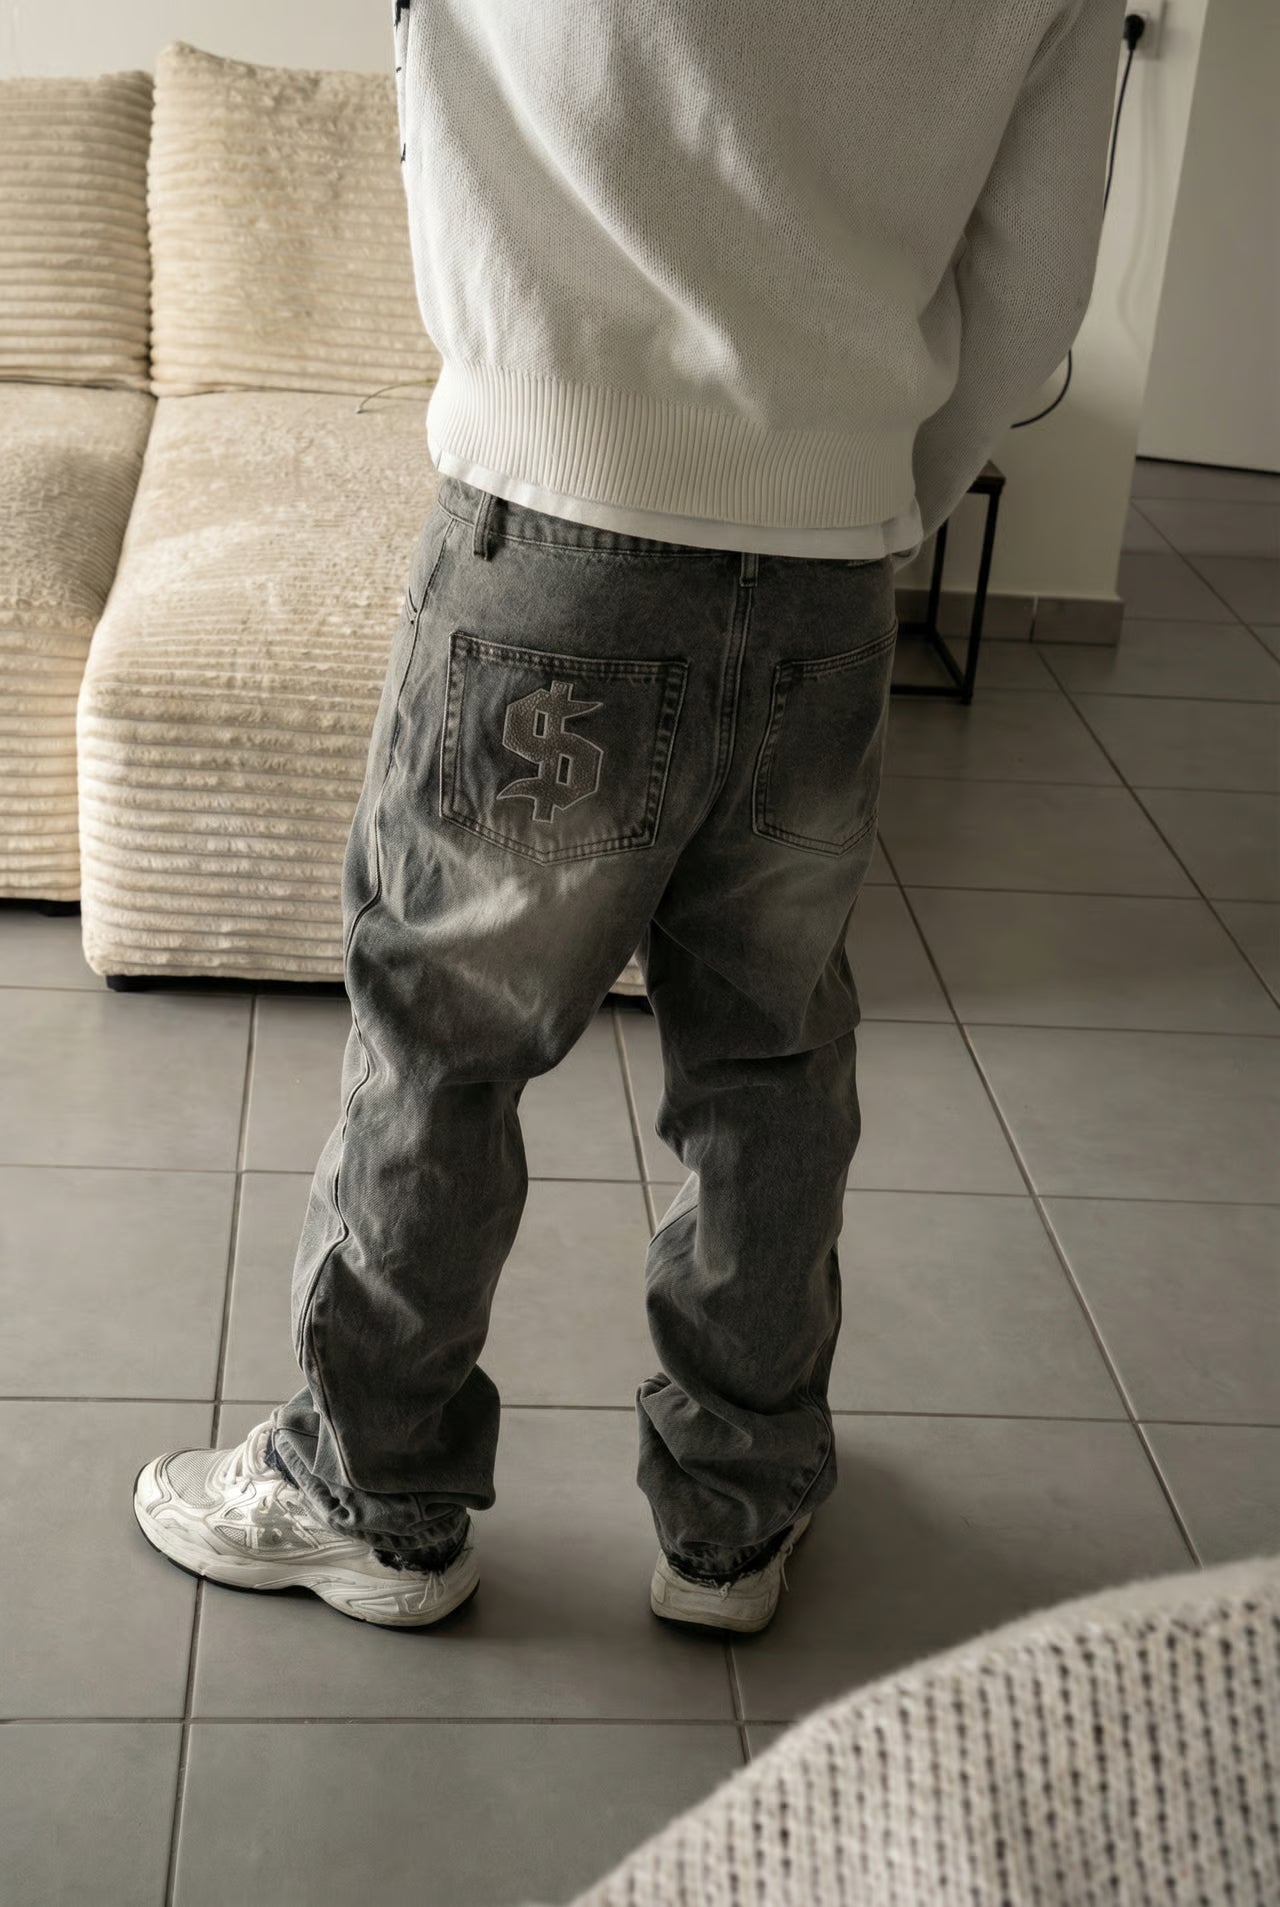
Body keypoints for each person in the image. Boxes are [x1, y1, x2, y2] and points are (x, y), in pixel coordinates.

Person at [134, 0, 1123, 1630]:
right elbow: (1037, 280)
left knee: (446, 1040)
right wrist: (870, 496)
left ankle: (373, 1499)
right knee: (770, 1055)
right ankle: (736, 1512)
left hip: (554, 535)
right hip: (827, 569)